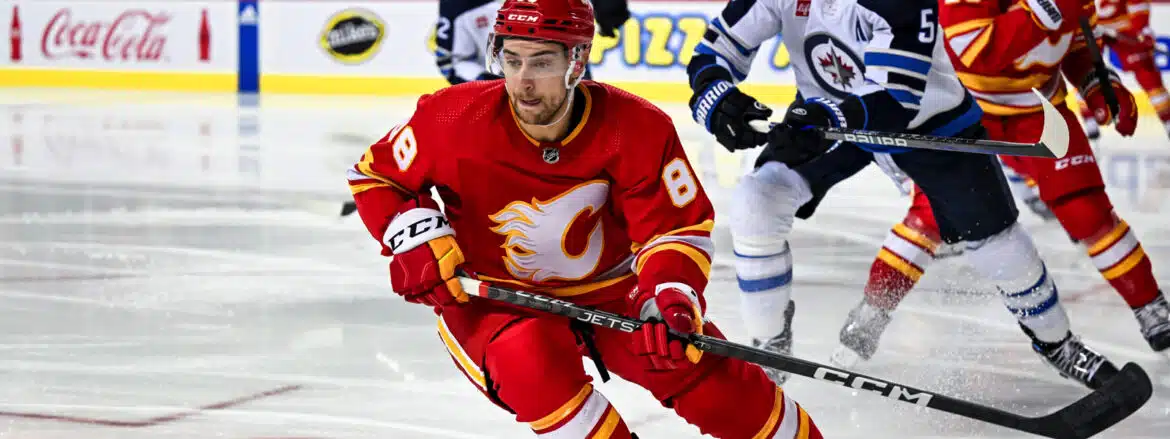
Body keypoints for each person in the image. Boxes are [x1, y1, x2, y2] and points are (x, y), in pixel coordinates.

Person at [348, 0, 822, 437]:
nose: (522, 82)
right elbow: (375, 177)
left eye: (542, 62)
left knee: (727, 392)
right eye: (511, 60)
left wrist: (671, 297)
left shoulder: (636, 127)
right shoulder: (450, 118)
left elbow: (673, 229)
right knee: (531, 364)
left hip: (616, 290)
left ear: (577, 62)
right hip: (497, 300)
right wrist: (412, 236)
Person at [686, 0, 1122, 389]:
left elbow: (895, 101)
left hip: (925, 125)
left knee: (998, 243)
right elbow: (714, 51)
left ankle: (1057, 343)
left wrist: (820, 115)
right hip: (833, 122)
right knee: (755, 202)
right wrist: (718, 100)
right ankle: (770, 344)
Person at [833, 0, 1169, 370]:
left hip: (1042, 110)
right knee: (929, 214)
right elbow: (974, 52)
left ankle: (1150, 307)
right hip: (968, 109)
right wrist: (1047, 10)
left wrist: (1098, 85)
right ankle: (873, 310)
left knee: (1088, 213)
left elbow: (1075, 43)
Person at [1080, 0, 1169, 144]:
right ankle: (1089, 123)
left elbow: (1138, 6)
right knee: (1084, 71)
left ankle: (1168, 121)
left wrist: (1142, 31)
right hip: (1089, 26)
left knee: (1146, 71)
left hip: (1123, 25)